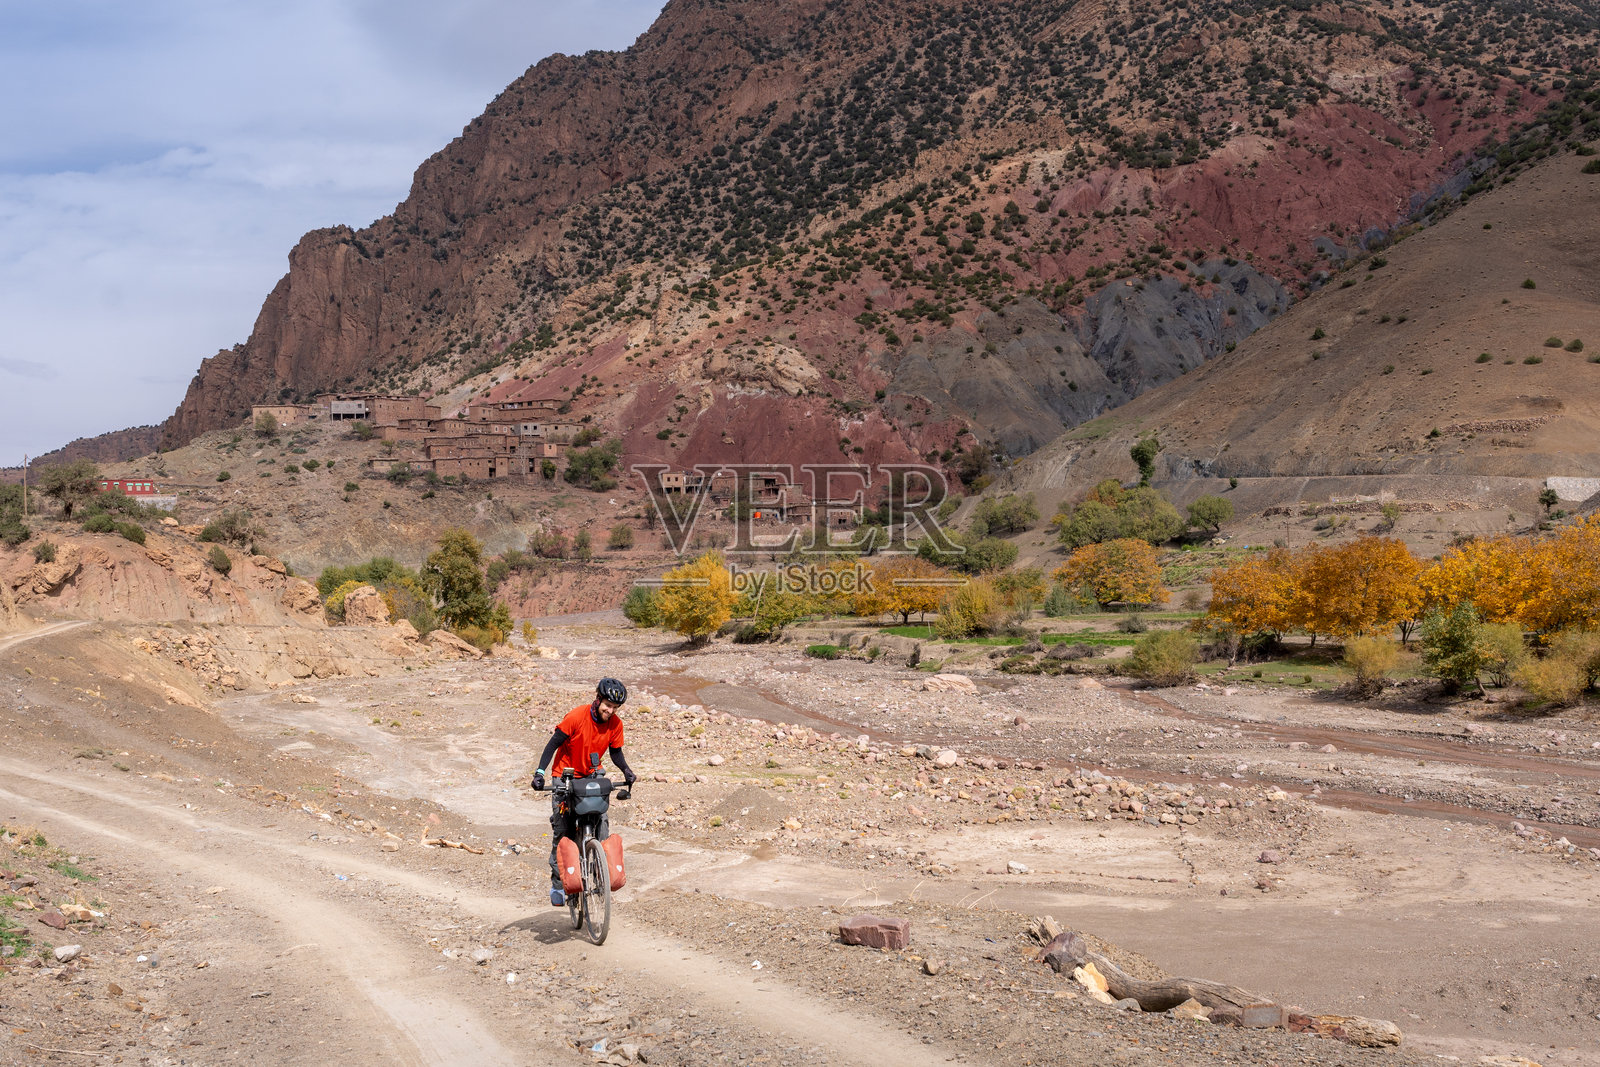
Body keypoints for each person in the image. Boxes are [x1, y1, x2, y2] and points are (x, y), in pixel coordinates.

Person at [532, 677, 636, 906]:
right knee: (563, 832)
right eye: (607, 705)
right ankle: (559, 886)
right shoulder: (576, 717)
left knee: (602, 824)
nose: (610, 711)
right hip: (565, 776)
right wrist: (539, 773)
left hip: (592, 775)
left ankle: (598, 867)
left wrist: (626, 770)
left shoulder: (615, 725)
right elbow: (553, 744)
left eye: (615, 708)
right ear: (598, 699)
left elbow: (616, 752)